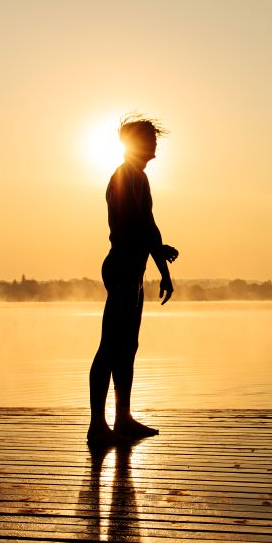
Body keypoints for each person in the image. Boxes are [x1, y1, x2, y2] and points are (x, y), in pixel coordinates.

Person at [87, 116, 178, 446]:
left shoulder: (139, 178)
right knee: (110, 348)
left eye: (155, 138)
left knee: (127, 348)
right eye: (150, 139)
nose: (155, 145)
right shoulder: (126, 177)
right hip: (122, 269)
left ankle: (122, 419)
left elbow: (150, 228)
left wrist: (164, 272)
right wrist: (157, 249)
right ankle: (98, 425)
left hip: (134, 272)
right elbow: (131, 228)